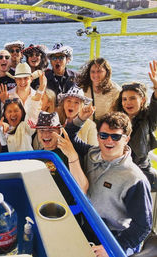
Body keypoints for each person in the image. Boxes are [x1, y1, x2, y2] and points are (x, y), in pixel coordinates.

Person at [65, 111, 152, 256]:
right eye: (103, 135)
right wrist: (81, 118)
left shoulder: (134, 179)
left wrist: (112, 248)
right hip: (87, 226)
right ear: (98, 136)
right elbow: (69, 135)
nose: (108, 141)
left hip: (113, 236)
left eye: (116, 136)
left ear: (127, 139)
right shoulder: (91, 153)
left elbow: (143, 226)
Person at [112, 61, 157, 191]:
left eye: (132, 98)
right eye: (124, 99)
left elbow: (155, 104)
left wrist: (156, 87)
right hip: (119, 166)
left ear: (142, 100)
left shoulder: (149, 117)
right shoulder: (117, 118)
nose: (128, 103)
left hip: (140, 169)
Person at [0, 72, 46, 153]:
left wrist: (40, 92)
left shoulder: (25, 126)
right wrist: (0, 131)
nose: (13, 114)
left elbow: (32, 113)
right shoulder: (4, 128)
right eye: (10, 111)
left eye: (16, 111)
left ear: (22, 113)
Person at [77, 57, 121, 122]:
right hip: (85, 126)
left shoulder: (115, 90)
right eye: (93, 72)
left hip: (105, 127)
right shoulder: (82, 88)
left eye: (99, 71)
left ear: (107, 72)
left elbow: (117, 113)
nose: (96, 75)